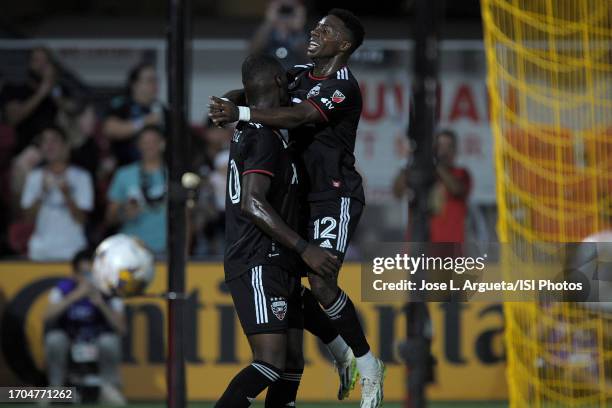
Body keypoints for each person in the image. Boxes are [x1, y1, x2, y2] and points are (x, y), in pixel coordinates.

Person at [210, 9, 385, 407]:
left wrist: (237, 112)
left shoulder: (342, 86)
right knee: (290, 289)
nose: (315, 31)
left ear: (343, 45)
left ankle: (368, 365)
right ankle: (337, 345)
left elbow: (299, 114)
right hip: (298, 197)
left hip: (332, 193)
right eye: (316, 25)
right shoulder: (302, 72)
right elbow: (260, 88)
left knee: (321, 281)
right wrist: (233, 99)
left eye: (326, 30)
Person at [216, 54, 339, 408]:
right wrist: (305, 248)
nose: (289, 85)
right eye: (284, 80)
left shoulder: (261, 130)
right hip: (257, 259)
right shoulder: (262, 138)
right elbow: (252, 203)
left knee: (291, 362)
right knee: (269, 362)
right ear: (278, 83)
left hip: (276, 260)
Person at [44, 249, 126, 405]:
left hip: (97, 341)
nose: (89, 280)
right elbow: (47, 317)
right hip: (71, 340)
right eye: (84, 274)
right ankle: (55, 387)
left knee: (109, 341)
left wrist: (101, 304)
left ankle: (109, 387)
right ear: (75, 274)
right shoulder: (64, 288)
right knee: (54, 339)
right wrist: (74, 296)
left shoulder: (110, 291)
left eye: (92, 274)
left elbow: (121, 329)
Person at [21, 126, 93, 261]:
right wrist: (42, 193)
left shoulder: (81, 176)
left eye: (54, 140)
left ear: (66, 146)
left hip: (72, 249)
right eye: (45, 141)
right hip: (40, 250)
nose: (49, 146)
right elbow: (27, 218)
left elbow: (81, 219)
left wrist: (67, 195)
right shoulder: (34, 177)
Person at [393, 129, 471, 243]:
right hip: (420, 244)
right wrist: (411, 161)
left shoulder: (462, 173)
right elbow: (397, 192)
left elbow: (456, 189)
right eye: (440, 146)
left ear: (455, 150)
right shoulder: (421, 172)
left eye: (448, 146)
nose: (443, 151)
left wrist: (436, 163)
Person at [106, 125, 167, 254]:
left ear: (163, 144)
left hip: (166, 251)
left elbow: (187, 217)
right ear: (138, 145)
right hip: (130, 250)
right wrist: (124, 214)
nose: (149, 146)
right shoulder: (123, 174)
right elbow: (109, 218)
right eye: (145, 142)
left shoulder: (174, 175)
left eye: (153, 141)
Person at [102, 63, 166, 166]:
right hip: (126, 168)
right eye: (150, 80)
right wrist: (144, 122)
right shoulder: (122, 105)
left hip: (157, 169)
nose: (155, 85)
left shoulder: (162, 108)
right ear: (135, 84)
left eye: (156, 80)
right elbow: (110, 129)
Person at [250, 0, 308, 70]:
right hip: (269, 73)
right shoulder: (266, 31)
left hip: (294, 74)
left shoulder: (301, 32)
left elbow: (308, 59)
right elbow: (253, 51)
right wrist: (269, 23)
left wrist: (298, 30)